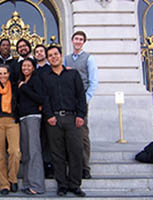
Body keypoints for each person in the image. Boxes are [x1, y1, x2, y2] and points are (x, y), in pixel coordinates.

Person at [42, 45, 87, 197]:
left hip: (72, 119)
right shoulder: (46, 77)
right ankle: (61, 184)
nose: (53, 57)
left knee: (76, 151)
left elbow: (80, 96)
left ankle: (75, 184)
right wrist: (49, 116)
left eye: (56, 54)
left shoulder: (73, 74)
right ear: (48, 59)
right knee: (57, 153)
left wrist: (81, 115)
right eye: (50, 55)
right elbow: (44, 98)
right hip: (54, 120)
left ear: (61, 56)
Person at [64, 31, 98, 179]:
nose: (78, 41)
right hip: (67, 102)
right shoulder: (66, 59)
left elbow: (93, 82)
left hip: (81, 102)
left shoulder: (89, 59)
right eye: (76, 39)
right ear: (72, 41)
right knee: (68, 134)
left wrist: (84, 100)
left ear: (83, 42)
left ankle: (85, 166)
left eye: (80, 39)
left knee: (82, 134)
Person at [0, 64, 21, 195]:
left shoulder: (15, 87)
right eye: (0, 73)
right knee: (0, 154)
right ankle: (4, 184)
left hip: (12, 121)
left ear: (9, 74)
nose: (2, 76)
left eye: (5, 73)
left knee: (15, 151)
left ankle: (13, 178)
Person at [18, 58, 46, 195]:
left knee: (34, 150)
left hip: (33, 117)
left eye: (29, 65)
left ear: (33, 68)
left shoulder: (35, 80)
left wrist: (24, 88)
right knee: (26, 152)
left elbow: (40, 98)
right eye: (24, 65)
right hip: (23, 118)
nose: (26, 68)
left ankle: (37, 185)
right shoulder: (21, 81)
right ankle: (27, 183)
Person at [33, 44, 53, 178]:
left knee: (48, 138)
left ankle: (49, 166)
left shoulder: (50, 69)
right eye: (37, 52)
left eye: (41, 51)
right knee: (37, 138)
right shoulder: (32, 69)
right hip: (35, 109)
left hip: (49, 109)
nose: (39, 53)